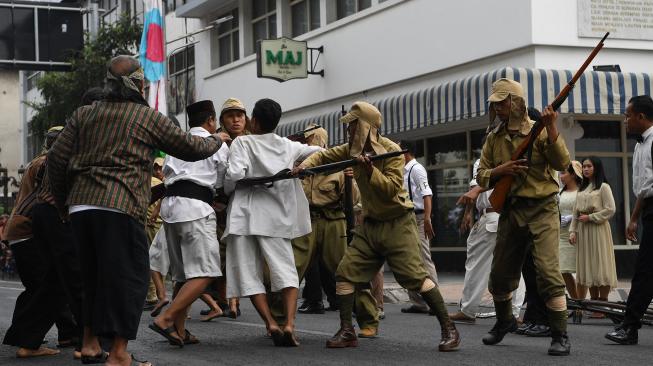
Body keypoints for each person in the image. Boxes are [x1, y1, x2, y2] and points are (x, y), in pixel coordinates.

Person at [47, 55, 229, 366]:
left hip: (81, 207)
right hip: (119, 206)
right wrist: (216, 139)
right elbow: (191, 148)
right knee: (128, 280)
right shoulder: (145, 116)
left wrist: (66, 203)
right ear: (137, 85)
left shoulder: (83, 114)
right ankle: (118, 354)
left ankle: (90, 345)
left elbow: (56, 160)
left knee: (92, 278)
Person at [295, 101, 460, 351]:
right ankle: (348, 330)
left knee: (415, 278)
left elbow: (392, 189)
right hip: (370, 225)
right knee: (345, 273)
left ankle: (449, 328)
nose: (348, 129)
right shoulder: (352, 149)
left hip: (397, 223)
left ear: (366, 127)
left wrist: (370, 171)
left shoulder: (392, 151)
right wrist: (303, 167)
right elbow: (324, 155)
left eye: (352, 124)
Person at [476, 79, 571, 356]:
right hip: (511, 209)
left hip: (542, 209)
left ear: (516, 102)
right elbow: (481, 175)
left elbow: (562, 164)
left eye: (503, 102)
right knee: (500, 275)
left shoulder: (540, 131)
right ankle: (505, 321)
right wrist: (500, 170)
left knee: (548, 273)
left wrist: (552, 126)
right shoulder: (494, 138)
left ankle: (560, 334)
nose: (498, 107)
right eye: (495, 103)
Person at [223, 98, 322, 347]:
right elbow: (320, 152)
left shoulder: (242, 142)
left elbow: (234, 174)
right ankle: (289, 323)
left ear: (253, 120)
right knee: (286, 270)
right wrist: (302, 163)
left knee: (248, 273)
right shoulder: (287, 146)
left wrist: (227, 187)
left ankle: (271, 323)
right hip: (276, 218)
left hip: (245, 217)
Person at [151, 100, 230, 345]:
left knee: (183, 275)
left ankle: (179, 329)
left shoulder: (178, 142)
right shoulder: (216, 142)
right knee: (207, 273)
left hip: (171, 208)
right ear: (211, 121)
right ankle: (167, 319)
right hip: (195, 208)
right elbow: (224, 182)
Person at [2, 127, 68, 359]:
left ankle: (26, 335)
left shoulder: (38, 161)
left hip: (24, 227)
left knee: (41, 286)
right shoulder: (47, 163)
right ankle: (29, 340)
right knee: (49, 285)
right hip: (28, 228)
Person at [449, 156, 525, 324]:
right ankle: (514, 311)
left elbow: (474, 187)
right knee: (515, 265)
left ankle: (468, 310)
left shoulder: (485, 160)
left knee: (476, 264)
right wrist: (469, 212)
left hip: (491, 216)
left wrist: (468, 212)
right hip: (514, 216)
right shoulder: (516, 160)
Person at [606, 95, 653, 344]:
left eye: (628, 115)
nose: (625, 120)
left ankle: (629, 327)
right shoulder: (639, 145)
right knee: (646, 271)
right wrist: (635, 218)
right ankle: (629, 325)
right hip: (648, 209)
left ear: (641, 117)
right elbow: (643, 188)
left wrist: (636, 217)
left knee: (645, 271)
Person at [569, 156, 617, 313]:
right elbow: (575, 211)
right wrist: (572, 231)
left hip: (598, 230)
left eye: (589, 166)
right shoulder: (582, 189)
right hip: (583, 232)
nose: (586, 169)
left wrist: (591, 217)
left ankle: (602, 305)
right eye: (584, 167)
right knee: (589, 266)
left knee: (601, 265)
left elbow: (610, 209)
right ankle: (595, 303)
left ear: (596, 167)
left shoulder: (603, 187)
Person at [399, 140, 439, 315]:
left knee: (424, 257)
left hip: (419, 217)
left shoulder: (416, 169)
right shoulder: (403, 170)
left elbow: (427, 194)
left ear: (406, 151)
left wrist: (428, 218)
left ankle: (436, 302)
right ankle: (417, 302)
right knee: (407, 259)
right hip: (406, 217)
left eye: (397, 150)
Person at [559, 161, 583, 302]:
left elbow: (587, 210)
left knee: (580, 271)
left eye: (563, 173)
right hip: (561, 235)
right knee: (563, 270)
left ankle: (581, 302)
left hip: (578, 234)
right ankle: (576, 301)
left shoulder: (581, 191)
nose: (561, 176)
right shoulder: (560, 193)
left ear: (573, 174)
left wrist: (572, 217)